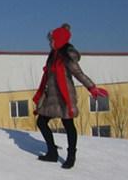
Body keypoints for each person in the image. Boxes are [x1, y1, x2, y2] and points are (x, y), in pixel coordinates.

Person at [33, 24, 108, 169]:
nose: (50, 43)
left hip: (65, 95)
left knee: (68, 125)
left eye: (52, 40)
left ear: (59, 40)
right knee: (41, 122)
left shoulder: (67, 56)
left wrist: (92, 87)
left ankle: (71, 155)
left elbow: (79, 74)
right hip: (51, 96)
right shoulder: (53, 56)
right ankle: (52, 153)